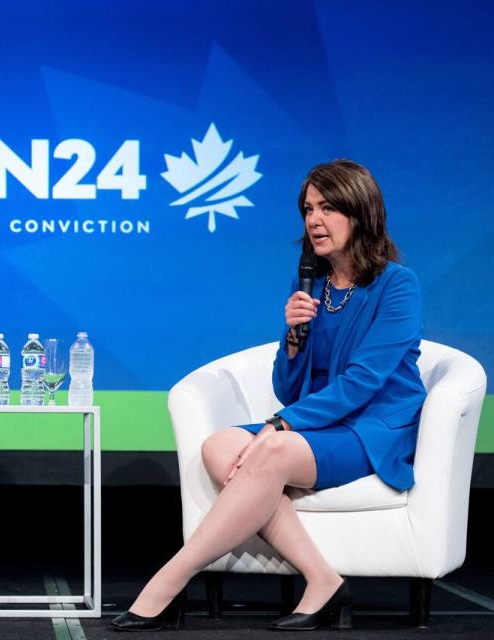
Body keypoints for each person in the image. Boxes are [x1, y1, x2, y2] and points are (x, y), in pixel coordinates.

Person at [110, 160, 426, 632]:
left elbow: (362, 382)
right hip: (323, 429)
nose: (314, 220)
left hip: (371, 429)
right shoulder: (313, 287)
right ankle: (323, 581)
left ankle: (168, 581)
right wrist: (295, 335)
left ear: (361, 213)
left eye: (328, 207)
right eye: (308, 209)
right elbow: (289, 385)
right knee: (218, 447)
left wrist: (280, 424)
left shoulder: (398, 286)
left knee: (270, 450)